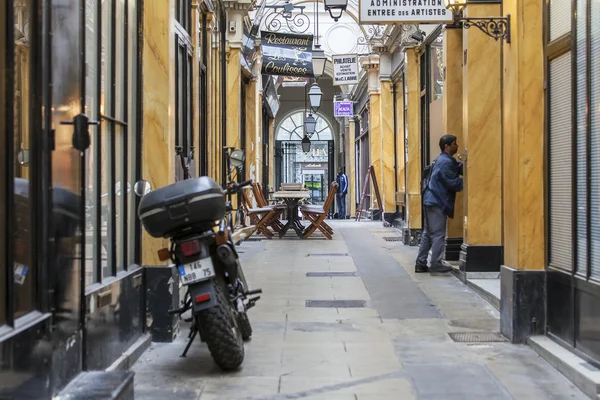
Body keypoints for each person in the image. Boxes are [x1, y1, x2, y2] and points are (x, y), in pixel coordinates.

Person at [415, 134, 463, 274]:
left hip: (430, 200)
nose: (457, 146)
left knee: (428, 233)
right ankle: (435, 263)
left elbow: (455, 168)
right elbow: (451, 182)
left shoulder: (443, 159)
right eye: (455, 144)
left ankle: (421, 263)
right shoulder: (445, 162)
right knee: (438, 234)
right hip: (437, 201)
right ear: (447, 146)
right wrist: (466, 182)